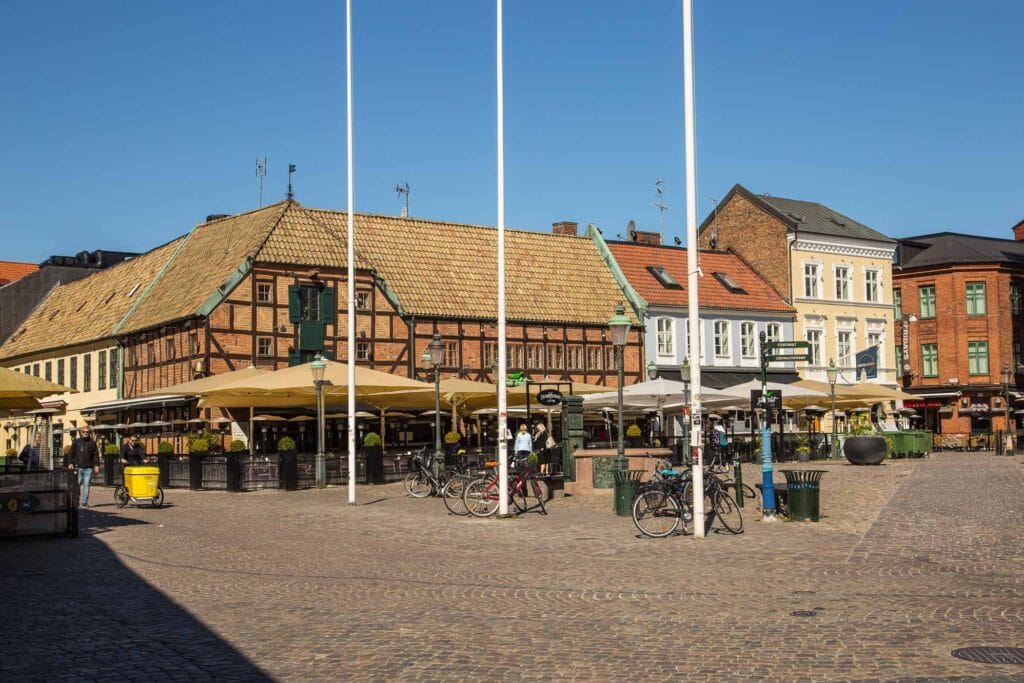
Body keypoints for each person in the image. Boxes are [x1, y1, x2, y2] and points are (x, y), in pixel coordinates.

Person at [66, 426, 100, 507]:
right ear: (81, 432)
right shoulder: (76, 442)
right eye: (84, 432)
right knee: (76, 485)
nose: (85, 433)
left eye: (87, 432)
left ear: (89, 433)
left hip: (88, 468)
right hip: (78, 467)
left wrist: (96, 465)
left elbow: (96, 455)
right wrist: (70, 463)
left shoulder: (92, 443)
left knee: (86, 485)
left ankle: (84, 502)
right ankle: (76, 501)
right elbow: (71, 452)